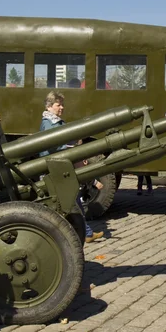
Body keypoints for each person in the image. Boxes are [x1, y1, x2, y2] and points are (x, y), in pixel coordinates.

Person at [39, 91, 104, 244]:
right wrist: (74, 148)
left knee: (75, 200)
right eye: (58, 104)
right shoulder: (49, 123)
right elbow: (54, 145)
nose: (62, 107)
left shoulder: (55, 121)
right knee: (71, 202)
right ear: (49, 106)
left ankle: (86, 232)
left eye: (62, 104)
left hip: (60, 167)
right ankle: (82, 233)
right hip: (55, 169)